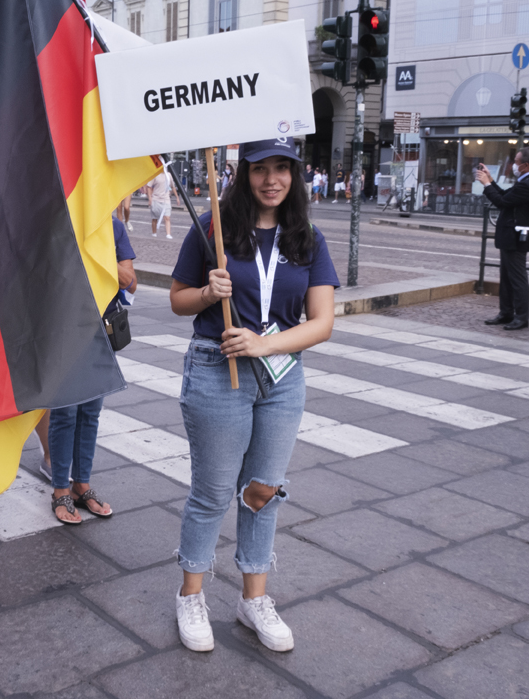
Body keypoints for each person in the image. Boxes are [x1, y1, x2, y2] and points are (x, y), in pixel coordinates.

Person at [169, 138, 338, 654]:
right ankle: (191, 594)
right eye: (260, 168)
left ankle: (253, 598)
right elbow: (179, 300)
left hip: (282, 377)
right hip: (219, 371)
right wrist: (207, 294)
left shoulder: (307, 237)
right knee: (213, 492)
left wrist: (264, 344)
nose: (271, 179)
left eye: (282, 169)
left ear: (295, 175)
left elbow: (322, 323)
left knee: (264, 490)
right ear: (244, 173)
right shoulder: (213, 227)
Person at [50, 215, 137, 524]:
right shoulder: (60, 220)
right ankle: (60, 488)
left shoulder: (113, 227)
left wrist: (101, 257)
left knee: (90, 413)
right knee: (66, 413)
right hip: (63, 330)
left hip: (101, 332)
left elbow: (130, 280)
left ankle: (81, 484)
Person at [476, 147, 529, 331]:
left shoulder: (527, 184)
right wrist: (491, 181)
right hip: (511, 236)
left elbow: (502, 202)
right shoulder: (526, 181)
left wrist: (487, 185)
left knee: (517, 278)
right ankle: (506, 313)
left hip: (516, 237)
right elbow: (506, 197)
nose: (513, 165)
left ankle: (521, 317)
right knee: (506, 277)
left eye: (516, 161)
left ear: (525, 165)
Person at [147, 168, 177, 239]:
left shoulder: (169, 175)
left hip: (166, 200)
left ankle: (168, 234)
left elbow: (173, 186)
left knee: (167, 217)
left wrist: (177, 197)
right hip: (156, 199)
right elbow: (149, 186)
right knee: (155, 218)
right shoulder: (155, 175)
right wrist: (150, 199)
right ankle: (154, 233)